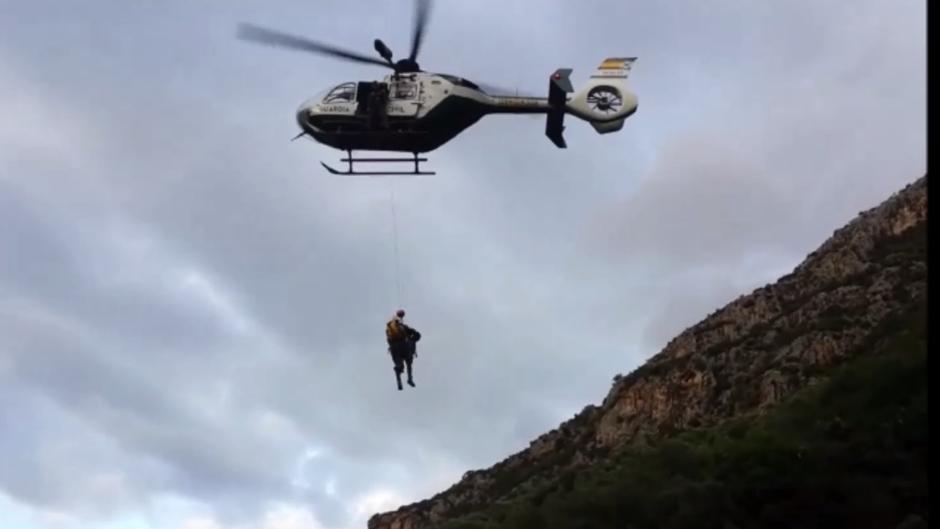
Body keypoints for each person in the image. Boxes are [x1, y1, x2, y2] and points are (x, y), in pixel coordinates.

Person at [386, 309, 421, 390]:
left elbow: (388, 341)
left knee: (399, 366)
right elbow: (416, 334)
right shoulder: (404, 327)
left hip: (394, 349)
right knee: (409, 362)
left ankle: (398, 379)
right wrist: (414, 335)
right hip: (404, 347)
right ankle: (410, 379)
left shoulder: (389, 330)